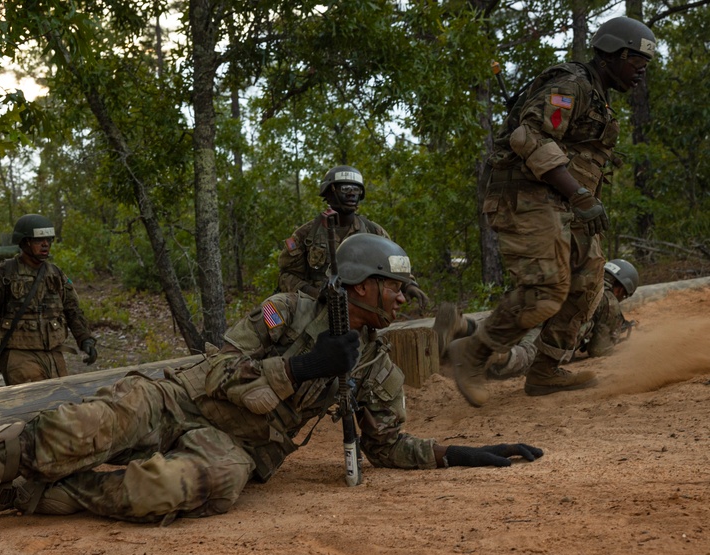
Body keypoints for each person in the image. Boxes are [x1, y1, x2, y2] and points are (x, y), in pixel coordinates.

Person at [0, 234, 544, 553]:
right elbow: (218, 373)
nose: (401, 296)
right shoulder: (287, 313)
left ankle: (41, 496)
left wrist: (463, 454)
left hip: (238, 446)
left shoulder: (375, 366)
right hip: (177, 399)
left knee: (197, 488)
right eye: (393, 285)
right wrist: (301, 370)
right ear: (359, 285)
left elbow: (387, 448)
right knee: (68, 431)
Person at [450, 16, 656, 406]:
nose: (640, 76)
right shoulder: (571, 85)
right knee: (546, 288)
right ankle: (471, 353)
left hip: (561, 201)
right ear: (615, 55)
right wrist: (579, 194)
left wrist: (579, 198)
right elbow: (528, 135)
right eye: (637, 66)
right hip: (525, 194)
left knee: (589, 280)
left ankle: (546, 370)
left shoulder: (597, 94)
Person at [436, 258, 640, 379]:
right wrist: (617, 340)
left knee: (497, 329)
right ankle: (492, 355)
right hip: (547, 323)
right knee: (527, 356)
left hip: (525, 301)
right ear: (621, 288)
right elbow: (599, 349)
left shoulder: (579, 273)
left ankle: (461, 324)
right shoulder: (607, 297)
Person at [0, 214, 98, 386]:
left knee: (63, 404)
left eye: (48, 240)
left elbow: (73, 311)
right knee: (35, 404)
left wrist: (85, 340)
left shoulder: (56, 274)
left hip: (54, 354)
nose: (45, 244)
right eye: (39, 240)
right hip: (19, 355)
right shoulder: (5, 273)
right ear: (24, 243)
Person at [276, 165, 428, 307]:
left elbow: (394, 265)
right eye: (345, 188)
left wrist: (409, 285)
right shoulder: (307, 234)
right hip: (316, 308)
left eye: (356, 190)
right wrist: (315, 294)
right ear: (329, 192)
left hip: (363, 309)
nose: (351, 194)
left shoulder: (373, 232)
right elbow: (286, 275)